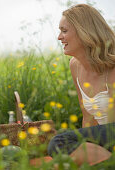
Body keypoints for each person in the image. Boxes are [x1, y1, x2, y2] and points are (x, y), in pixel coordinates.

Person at [47, 4, 115, 166]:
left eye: (64, 31)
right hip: (107, 139)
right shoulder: (75, 66)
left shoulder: (112, 65)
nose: (59, 37)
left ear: (84, 31)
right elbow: (88, 117)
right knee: (61, 149)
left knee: (60, 142)